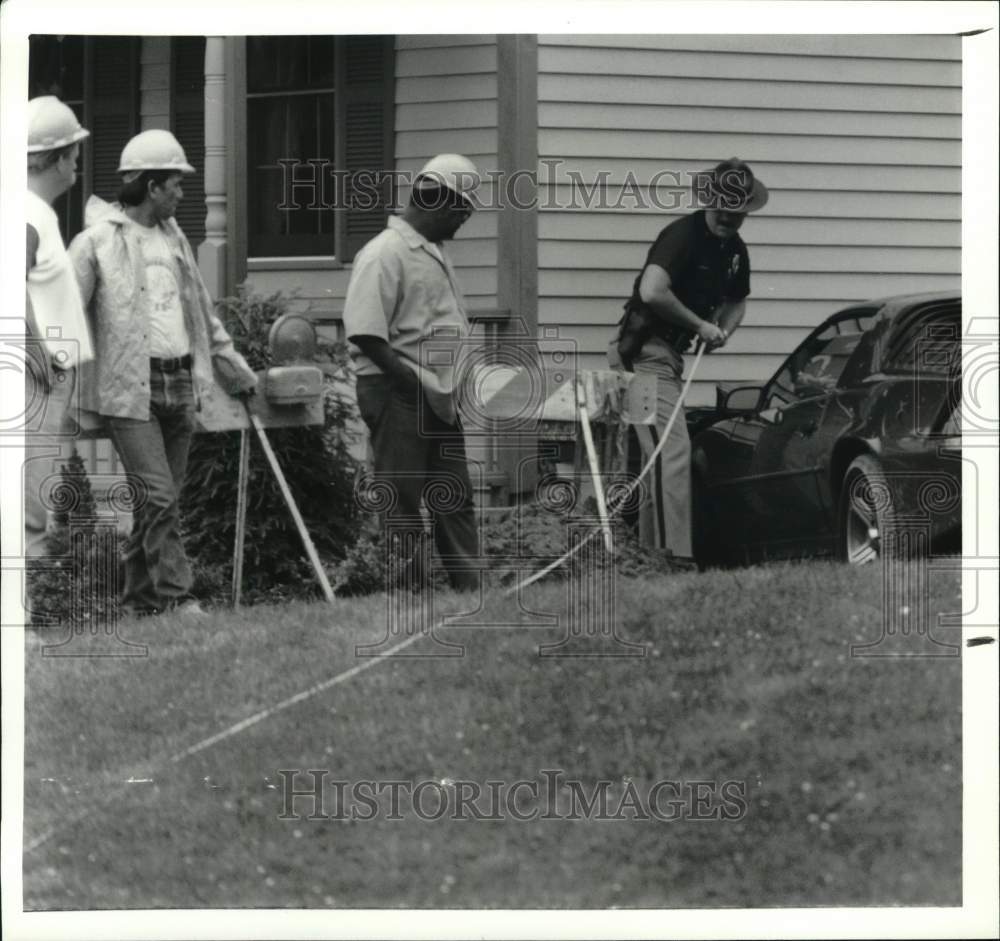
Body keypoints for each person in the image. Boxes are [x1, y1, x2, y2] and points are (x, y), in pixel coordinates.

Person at [68, 129, 257, 617]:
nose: (182, 193)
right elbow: (61, 314)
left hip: (181, 383)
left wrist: (233, 369)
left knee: (156, 502)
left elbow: (202, 314)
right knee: (158, 496)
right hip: (129, 391)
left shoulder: (175, 240)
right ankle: (177, 597)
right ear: (151, 187)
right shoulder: (96, 243)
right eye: (176, 183)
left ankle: (138, 602)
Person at [609, 157, 768, 565]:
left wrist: (722, 332)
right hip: (644, 356)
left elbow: (737, 301)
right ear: (708, 200)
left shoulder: (734, 250)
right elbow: (652, 290)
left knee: (657, 459)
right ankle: (675, 560)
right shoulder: (683, 235)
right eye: (721, 208)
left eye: (736, 211)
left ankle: (650, 559)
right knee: (672, 452)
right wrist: (700, 325)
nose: (728, 217)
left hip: (670, 359)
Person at [343, 154, 481, 592]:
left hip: (436, 393)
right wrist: (408, 382)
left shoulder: (431, 251)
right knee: (402, 498)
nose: (462, 223)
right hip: (396, 387)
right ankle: (411, 592)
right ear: (440, 204)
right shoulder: (384, 252)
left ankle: (470, 588)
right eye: (462, 212)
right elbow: (365, 332)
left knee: (454, 494)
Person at [24, 96, 94, 557]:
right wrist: (36, 353)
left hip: (43, 379)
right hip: (34, 382)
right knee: (29, 510)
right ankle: (22, 602)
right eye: (73, 153)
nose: (77, 163)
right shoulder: (28, 213)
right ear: (57, 158)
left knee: (35, 501)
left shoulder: (35, 212)